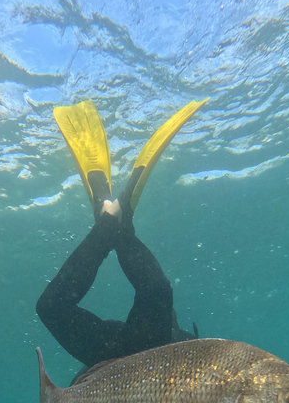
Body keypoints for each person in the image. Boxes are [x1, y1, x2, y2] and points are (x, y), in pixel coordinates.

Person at [36, 99, 207, 382]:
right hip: (156, 350)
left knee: (51, 308)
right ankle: (116, 223)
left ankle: (111, 224)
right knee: (157, 293)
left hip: (116, 362)